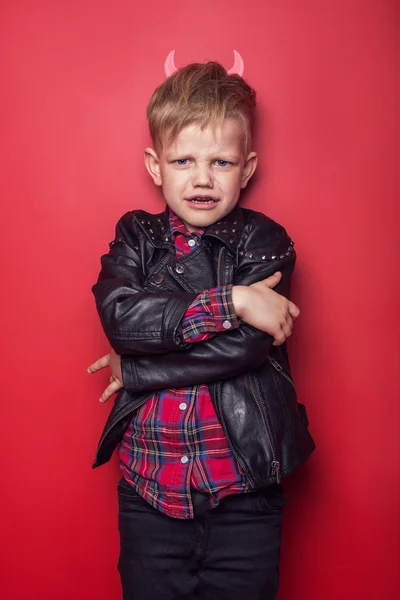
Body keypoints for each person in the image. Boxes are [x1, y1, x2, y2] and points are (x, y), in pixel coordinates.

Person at [88, 61, 315, 600]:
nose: (203, 178)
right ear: (155, 165)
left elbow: (246, 349)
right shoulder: (136, 237)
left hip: (245, 496)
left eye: (222, 161)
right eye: (183, 160)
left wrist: (138, 369)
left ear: (248, 166)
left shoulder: (266, 242)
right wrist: (232, 299)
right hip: (150, 498)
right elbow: (122, 318)